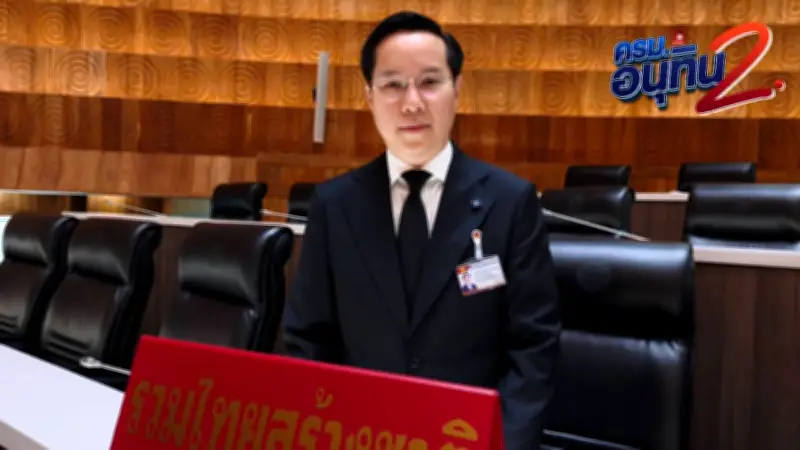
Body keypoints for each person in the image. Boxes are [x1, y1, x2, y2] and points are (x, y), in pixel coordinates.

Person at [283, 11, 561, 450]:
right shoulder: (334, 206)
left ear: (457, 90)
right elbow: (308, 341)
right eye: (393, 84)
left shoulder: (511, 202)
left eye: (430, 82)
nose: (412, 102)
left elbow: (533, 348)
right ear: (369, 97)